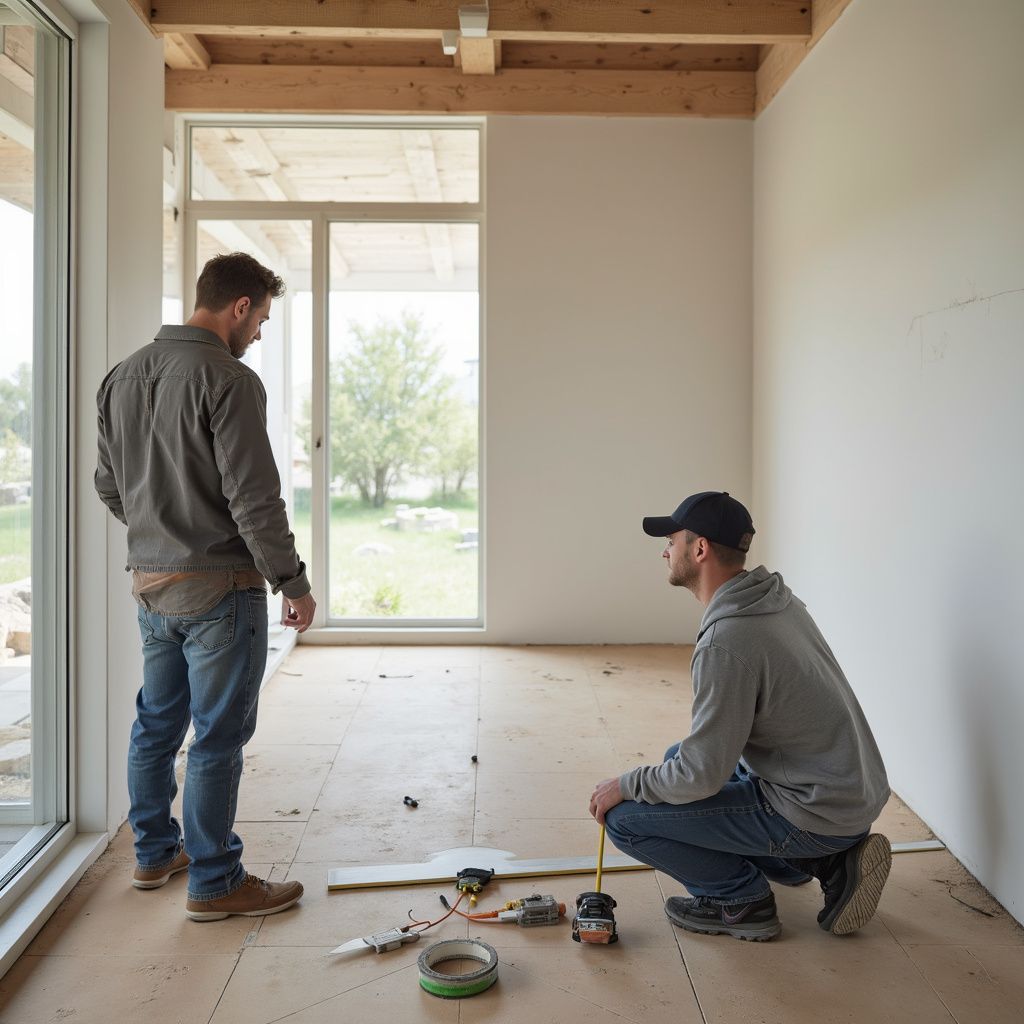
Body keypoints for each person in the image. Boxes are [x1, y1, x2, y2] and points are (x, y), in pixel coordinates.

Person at [95, 252, 316, 922]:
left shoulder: (121, 376)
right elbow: (255, 499)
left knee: (157, 724)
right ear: (239, 306)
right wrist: (292, 580)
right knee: (217, 738)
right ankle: (217, 882)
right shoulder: (228, 378)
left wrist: (162, 534)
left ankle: (156, 852)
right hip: (221, 587)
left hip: (152, 585)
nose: (258, 336)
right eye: (262, 320)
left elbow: (110, 486)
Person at [589, 491, 892, 941]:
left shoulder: (727, 641)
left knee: (627, 819)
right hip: (846, 793)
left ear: (700, 548)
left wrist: (625, 784)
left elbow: (700, 777)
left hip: (814, 811)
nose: (665, 550)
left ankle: (739, 900)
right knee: (676, 757)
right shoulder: (775, 599)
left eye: (672, 539)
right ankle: (822, 862)